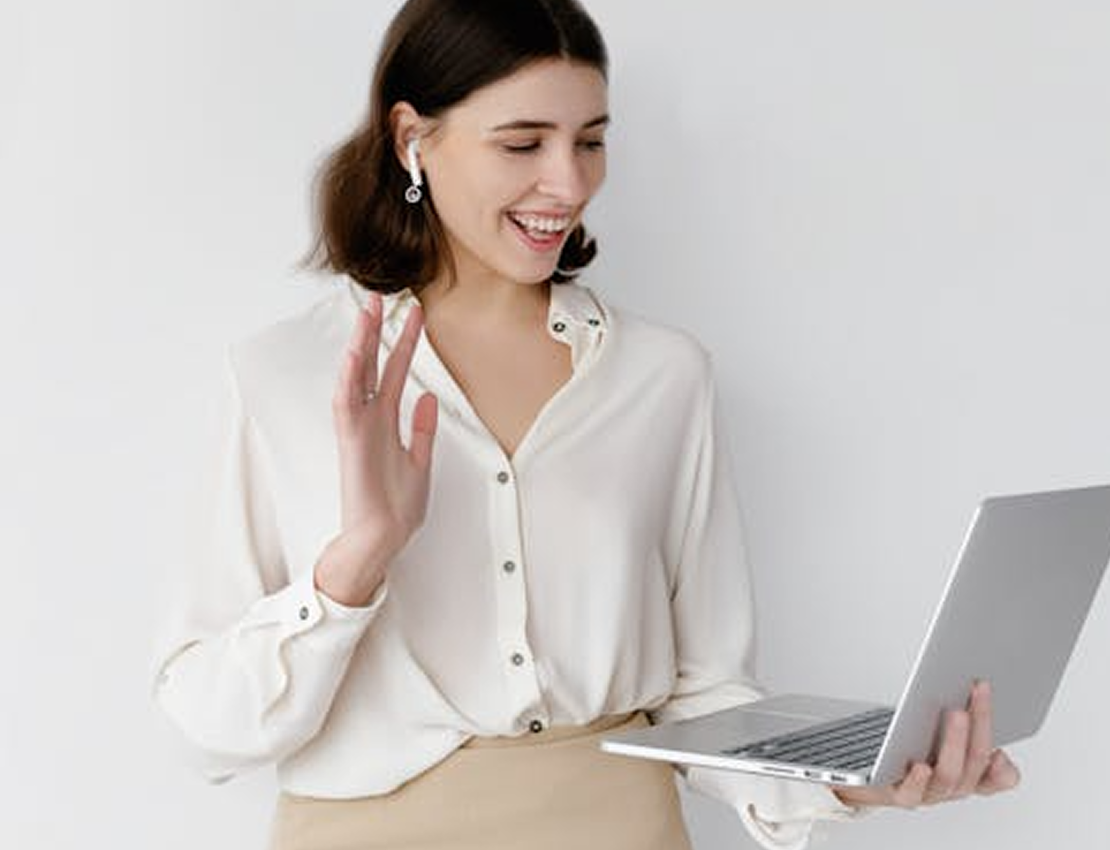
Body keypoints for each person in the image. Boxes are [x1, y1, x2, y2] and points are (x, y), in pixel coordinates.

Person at [150, 1, 1020, 848]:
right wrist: (354, 564)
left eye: (591, 141)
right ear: (414, 138)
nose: (568, 184)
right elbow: (204, 730)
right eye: (523, 142)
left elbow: (705, 695)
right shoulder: (285, 375)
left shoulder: (663, 376)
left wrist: (843, 780)